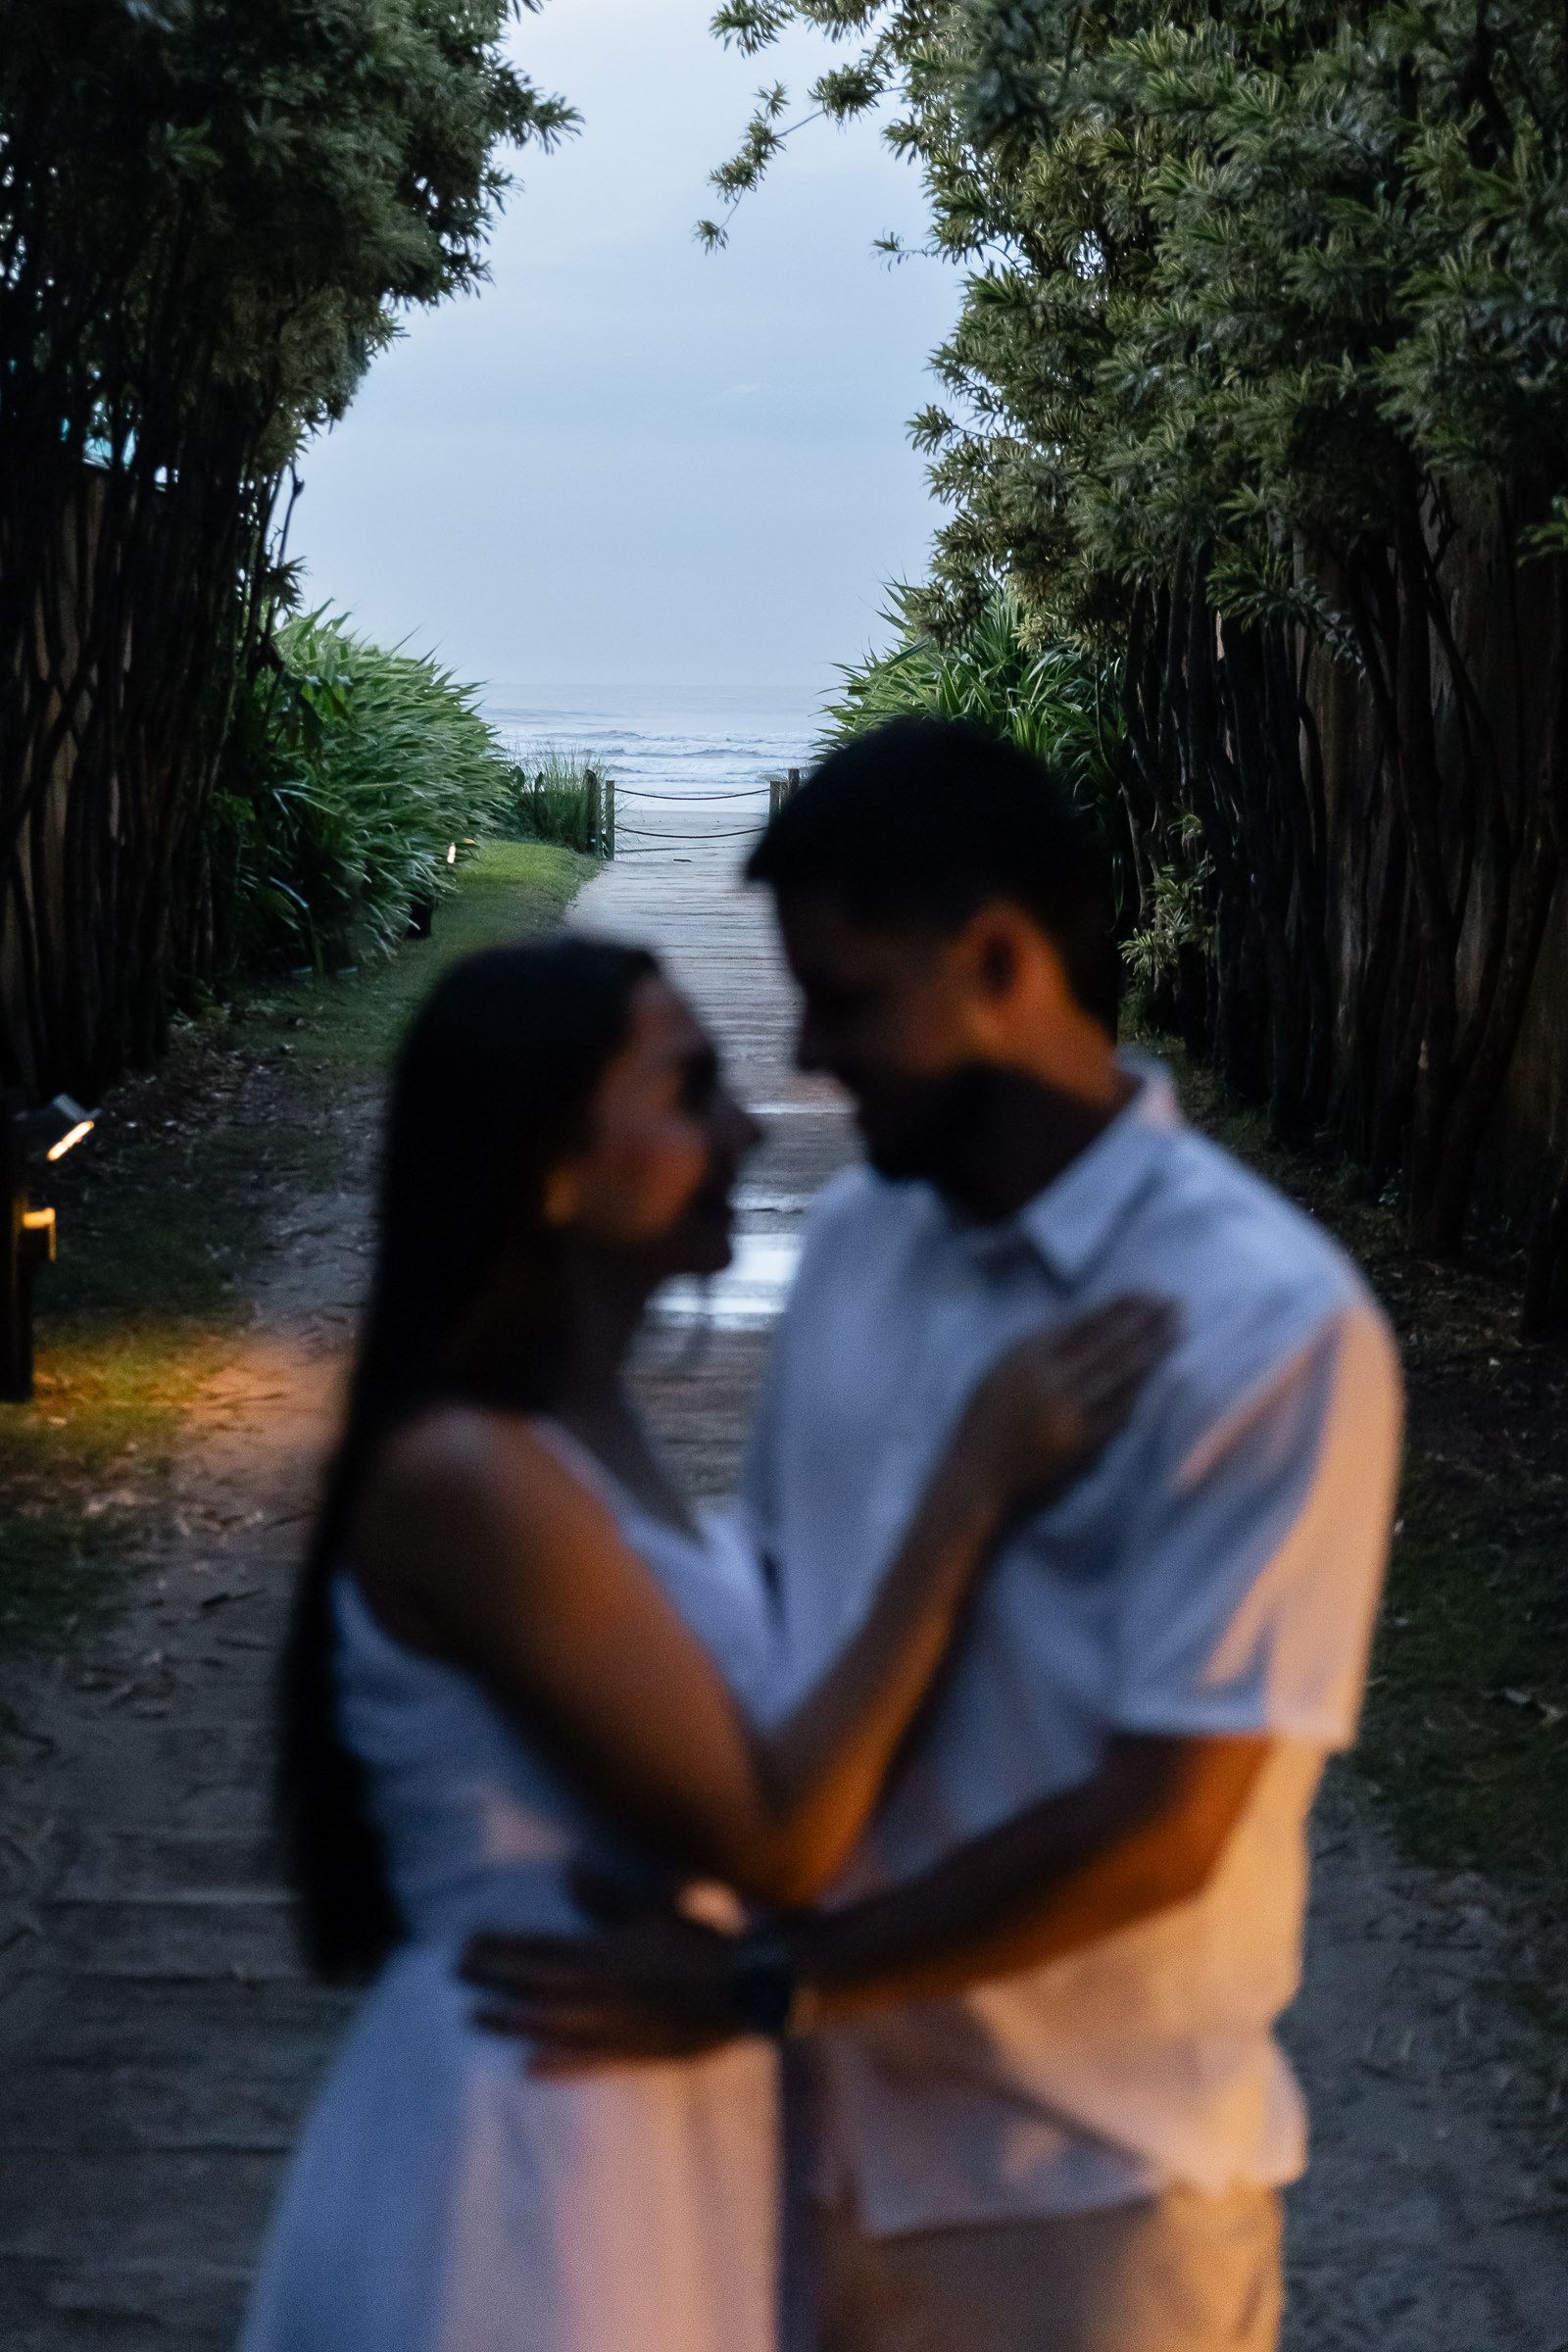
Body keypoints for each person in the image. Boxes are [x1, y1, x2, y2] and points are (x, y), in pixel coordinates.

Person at [465, 718, 1404, 2352]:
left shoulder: (1265, 1324)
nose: (812, 1054)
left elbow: (1166, 1822)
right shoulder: (857, 1250)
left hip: (1078, 2208)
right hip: (781, 2157)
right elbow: (780, 1615)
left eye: (847, 996)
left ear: (998, 961)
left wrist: (776, 1979)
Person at [238, 933, 1172, 2352]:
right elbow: (777, 1836)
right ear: (550, 1163)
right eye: (689, 1093)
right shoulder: (473, 1481)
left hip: (637, 2108)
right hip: (529, 2153)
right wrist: (970, 1488)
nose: (745, 1125)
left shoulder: (584, 1436)